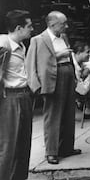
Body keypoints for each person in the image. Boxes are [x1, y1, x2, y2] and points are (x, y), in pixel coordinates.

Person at [26, 11, 81, 164]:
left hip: (67, 74)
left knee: (69, 113)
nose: (67, 26)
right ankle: (51, 151)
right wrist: (35, 86)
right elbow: (30, 64)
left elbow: (69, 57)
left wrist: (75, 73)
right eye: (63, 24)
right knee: (53, 116)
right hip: (52, 79)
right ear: (52, 24)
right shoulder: (38, 40)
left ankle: (66, 148)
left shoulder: (63, 37)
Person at [0, 10, 34, 180]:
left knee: (23, 143)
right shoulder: (3, 45)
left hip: (24, 95)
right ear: (19, 28)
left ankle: (19, 179)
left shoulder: (21, 46)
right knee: (8, 145)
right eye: (29, 26)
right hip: (9, 98)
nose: (32, 29)